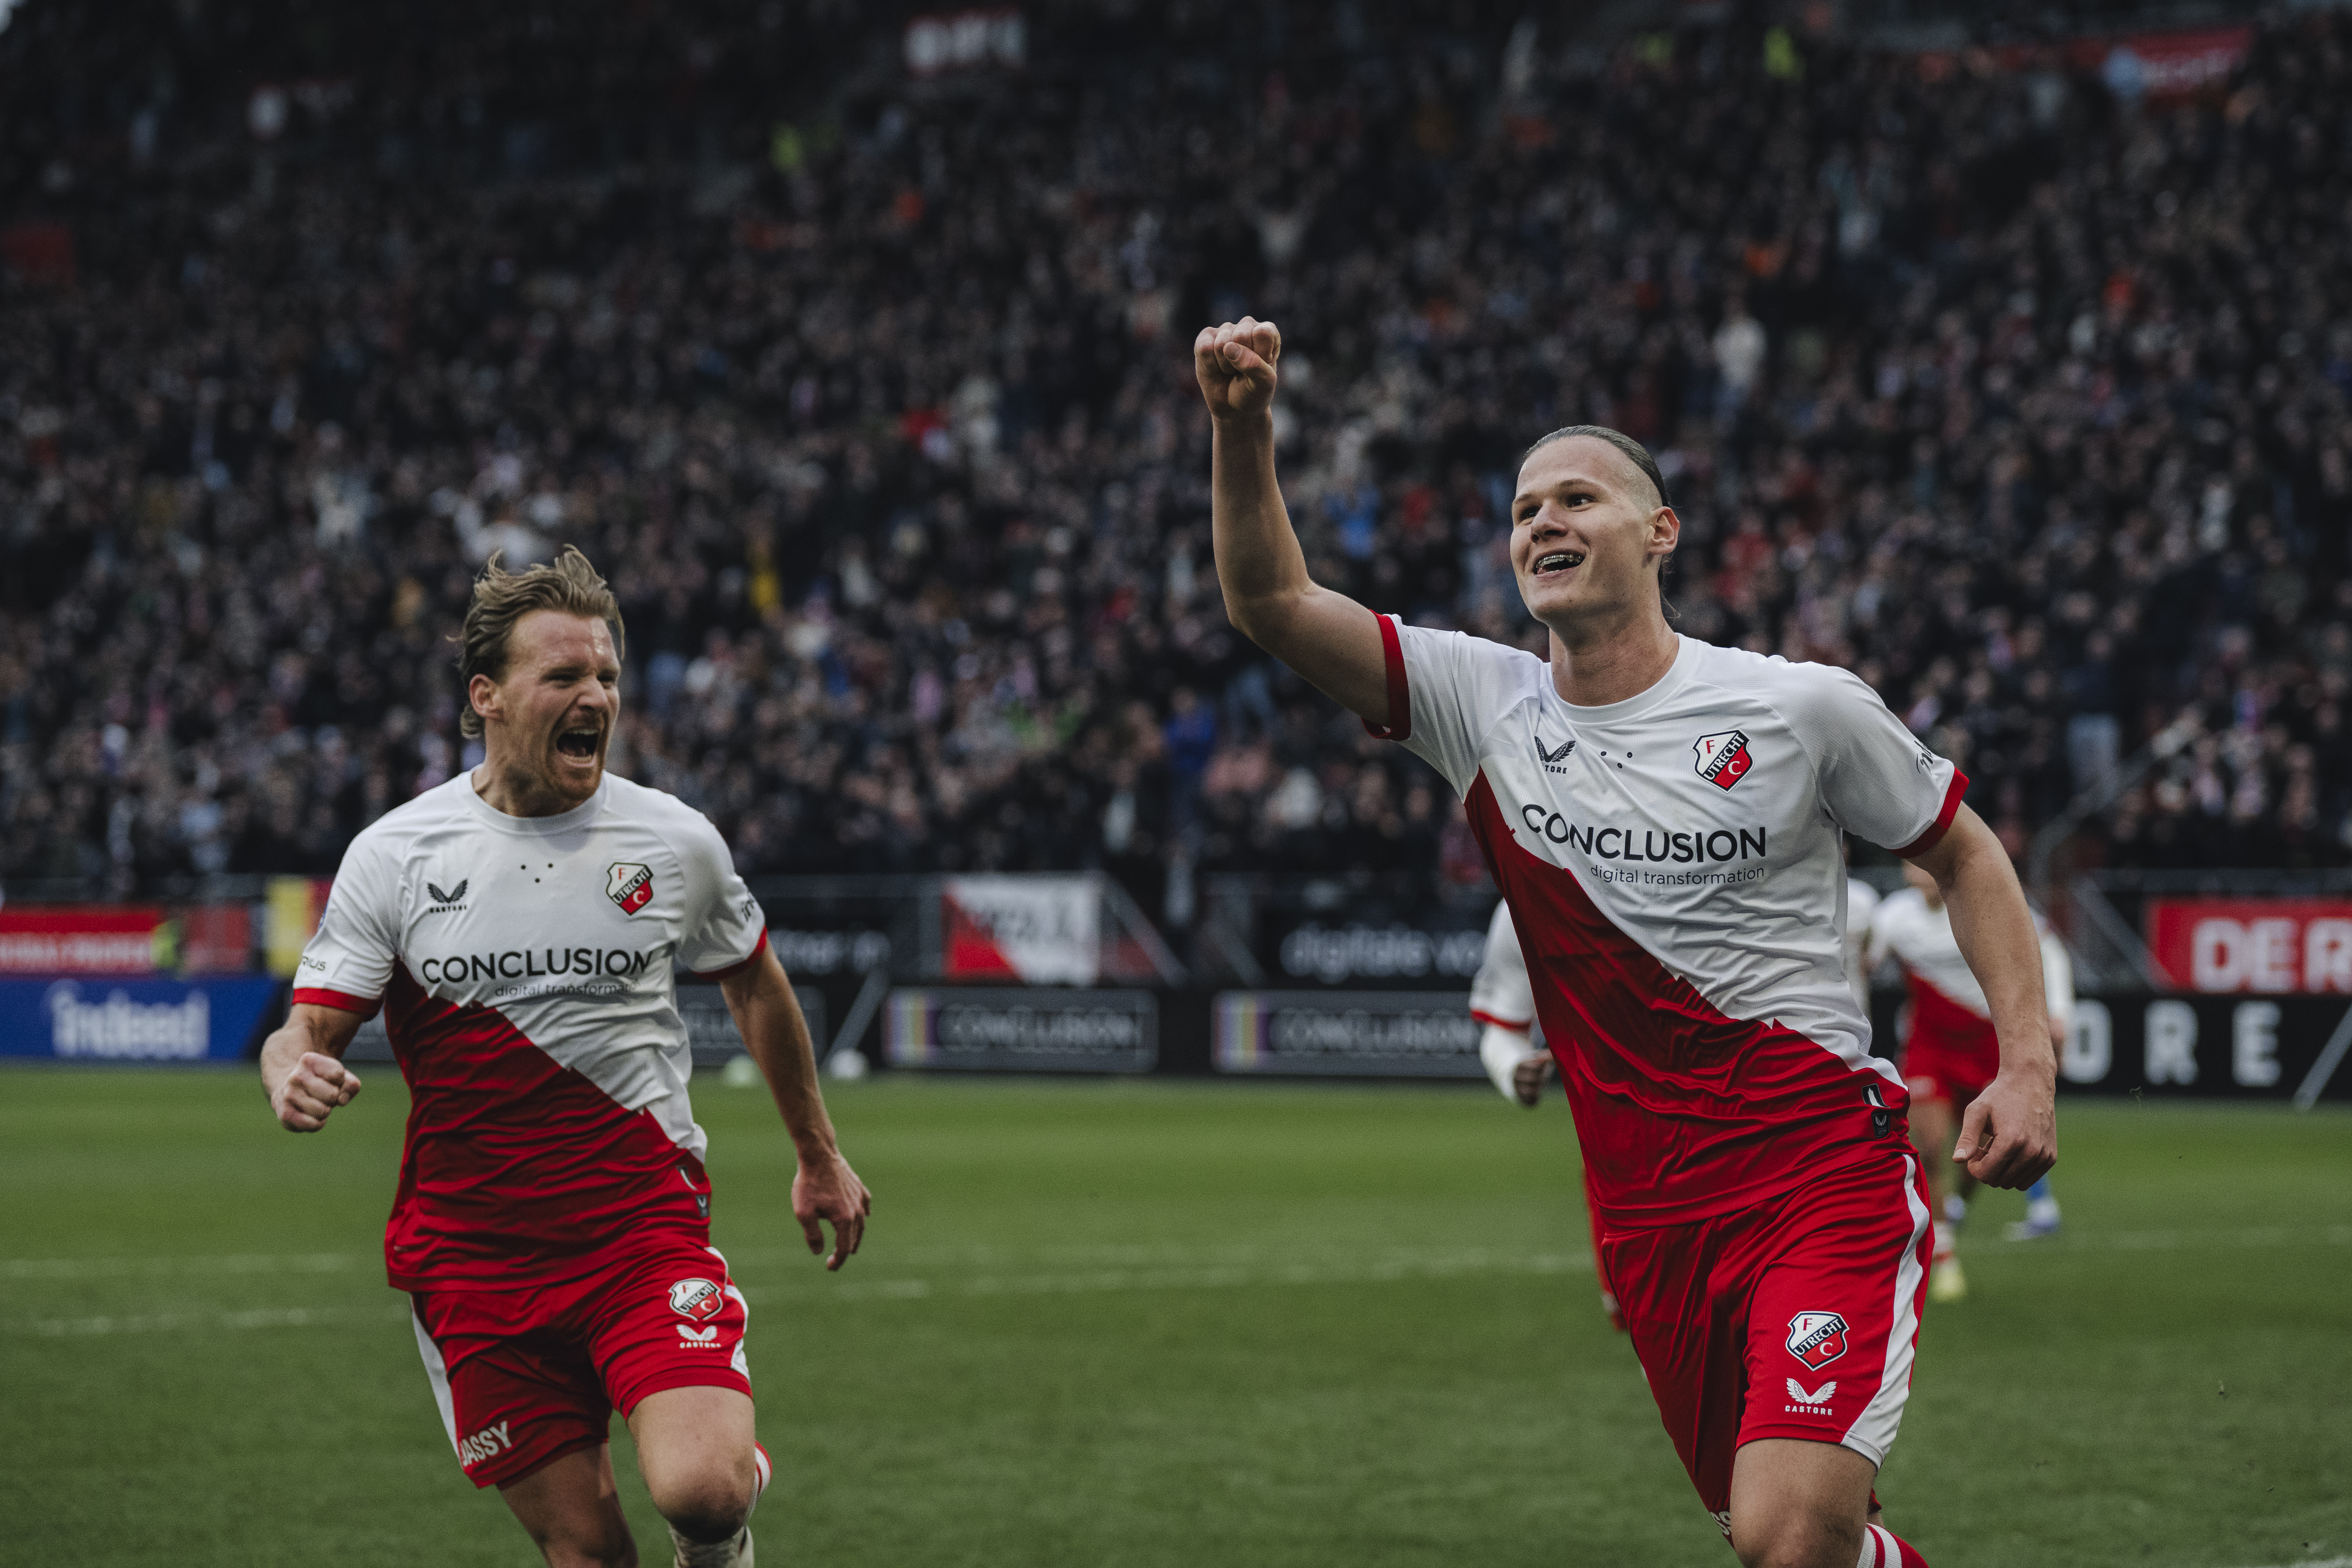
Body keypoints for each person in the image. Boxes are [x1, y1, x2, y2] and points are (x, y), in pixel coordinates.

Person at [1195, 316, 2056, 1568]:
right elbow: (1269, 600)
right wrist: (1241, 429)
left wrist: (2023, 1059)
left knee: (1788, 1532)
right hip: (1646, 1221)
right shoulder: (1478, 703)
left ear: (1658, 533)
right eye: (1522, 507)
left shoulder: (1794, 705)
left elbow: (1961, 850)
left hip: (1819, 1172)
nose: (1541, 521)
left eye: (1578, 497)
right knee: (1800, 1547)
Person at [258, 548, 871, 1568]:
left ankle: (725, 1524)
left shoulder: (673, 840)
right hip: (474, 1262)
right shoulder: (397, 853)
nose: (597, 696)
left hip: (640, 1231)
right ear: (487, 696)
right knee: (590, 1553)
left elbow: (755, 979)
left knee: (704, 1492)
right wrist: (288, 1064)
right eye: (565, 677)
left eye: (607, 677)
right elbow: (307, 1024)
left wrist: (818, 1148)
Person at [1865, 862, 2073, 1300]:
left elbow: (2049, 947)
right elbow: (1862, 960)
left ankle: (1957, 1203)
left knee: (1983, 1153)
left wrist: (2058, 1012)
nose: (1919, 865)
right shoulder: (1894, 916)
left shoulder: (1980, 901)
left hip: (1987, 1044)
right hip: (1929, 1048)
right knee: (1929, 1146)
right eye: (1910, 861)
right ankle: (1944, 1253)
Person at [1471, 896, 1626, 1332]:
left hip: (1770, 1157)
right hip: (1620, 1171)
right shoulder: (1529, 891)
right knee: (1670, 1369)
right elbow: (1502, 1030)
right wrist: (1513, 1066)